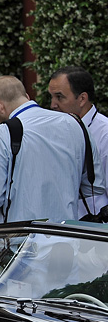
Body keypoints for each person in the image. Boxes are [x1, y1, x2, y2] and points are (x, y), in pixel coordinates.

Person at [0, 75, 105, 222]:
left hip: (21, 240)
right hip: (67, 237)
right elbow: (95, 186)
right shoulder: (76, 124)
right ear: (27, 96)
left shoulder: (1, 135)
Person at [48, 66, 108, 216]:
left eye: (59, 97)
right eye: (52, 97)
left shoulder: (104, 133)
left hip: (95, 233)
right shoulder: (56, 131)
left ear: (82, 99)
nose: (52, 105)